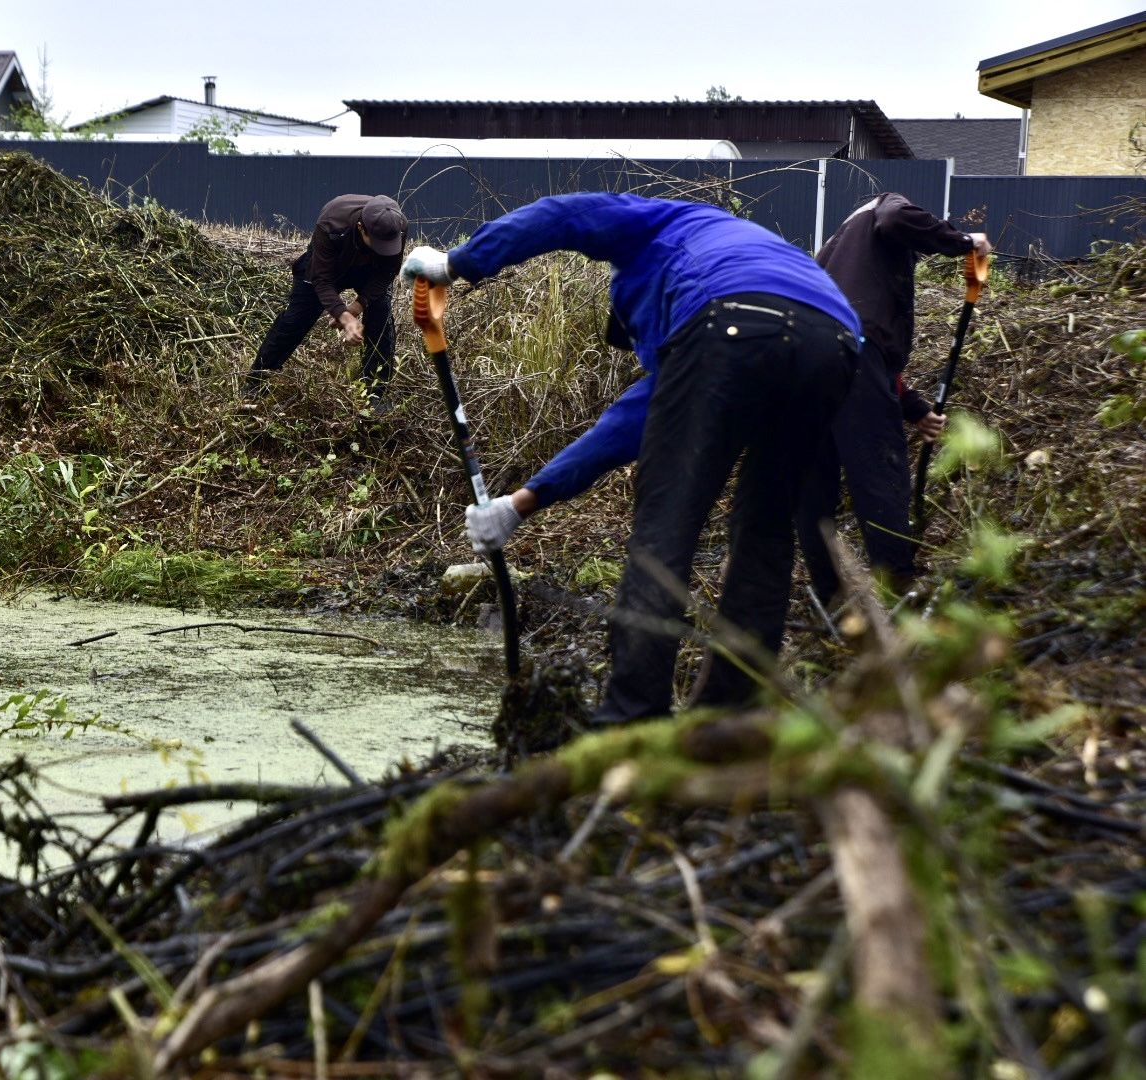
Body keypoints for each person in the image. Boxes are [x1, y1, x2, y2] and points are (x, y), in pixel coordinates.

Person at [403, 193, 862, 727]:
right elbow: (623, 428)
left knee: (664, 527)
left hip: (732, 319)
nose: (644, 347)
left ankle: (632, 716)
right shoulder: (743, 250)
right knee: (765, 533)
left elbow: (561, 215)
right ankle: (727, 725)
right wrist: (520, 503)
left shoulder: (657, 225)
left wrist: (458, 263)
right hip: (835, 343)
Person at [794, 193, 991, 606]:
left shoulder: (836, 252)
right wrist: (965, 242)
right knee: (878, 471)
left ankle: (829, 596)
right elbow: (896, 217)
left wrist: (915, 409)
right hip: (851, 351)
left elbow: (867, 364)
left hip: (802, 357)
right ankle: (899, 587)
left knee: (815, 482)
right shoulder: (885, 206)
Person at [247, 194, 408, 408]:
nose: (384, 248)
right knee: (294, 320)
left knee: (381, 318)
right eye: (378, 243)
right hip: (328, 265)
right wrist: (343, 315)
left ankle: (375, 395)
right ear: (361, 228)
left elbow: (387, 273)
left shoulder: (397, 226)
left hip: (371, 270)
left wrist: (357, 306)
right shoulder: (332, 223)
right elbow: (321, 280)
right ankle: (255, 382)